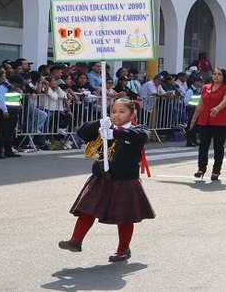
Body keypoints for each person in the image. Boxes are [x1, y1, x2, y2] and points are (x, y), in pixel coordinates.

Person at [59, 98, 155, 262]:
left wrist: (116, 133)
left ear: (133, 114)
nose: (116, 115)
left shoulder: (138, 129)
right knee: (87, 209)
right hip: (101, 177)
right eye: (113, 111)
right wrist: (97, 124)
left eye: (122, 112)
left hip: (125, 179)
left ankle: (123, 249)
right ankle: (76, 240)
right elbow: (82, 133)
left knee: (124, 216)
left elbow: (141, 137)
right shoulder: (105, 127)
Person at [189, 68, 226, 181]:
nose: (216, 76)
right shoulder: (206, 87)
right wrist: (194, 119)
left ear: (224, 77)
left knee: (218, 146)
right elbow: (201, 103)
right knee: (203, 144)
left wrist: (217, 108)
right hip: (206, 120)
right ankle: (201, 168)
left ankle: (216, 170)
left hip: (222, 120)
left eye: (219, 74)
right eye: (214, 74)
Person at [0, 72, 24, 159]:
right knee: (2, 131)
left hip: (14, 112)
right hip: (4, 112)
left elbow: (18, 98)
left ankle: (8, 151)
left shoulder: (14, 88)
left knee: (10, 132)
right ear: (15, 82)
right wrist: (4, 111)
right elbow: (1, 99)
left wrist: (20, 92)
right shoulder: (2, 87)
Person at [183, 76, 203, 147]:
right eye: (200, 82)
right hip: (191, 110)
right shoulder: (190, 90)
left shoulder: (197, 90)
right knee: (190, 126)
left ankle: (194, 140)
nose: (201, 83)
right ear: (195, 82)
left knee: (195, 126)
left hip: (196, 110)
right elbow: (186, 101)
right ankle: (189, 141)